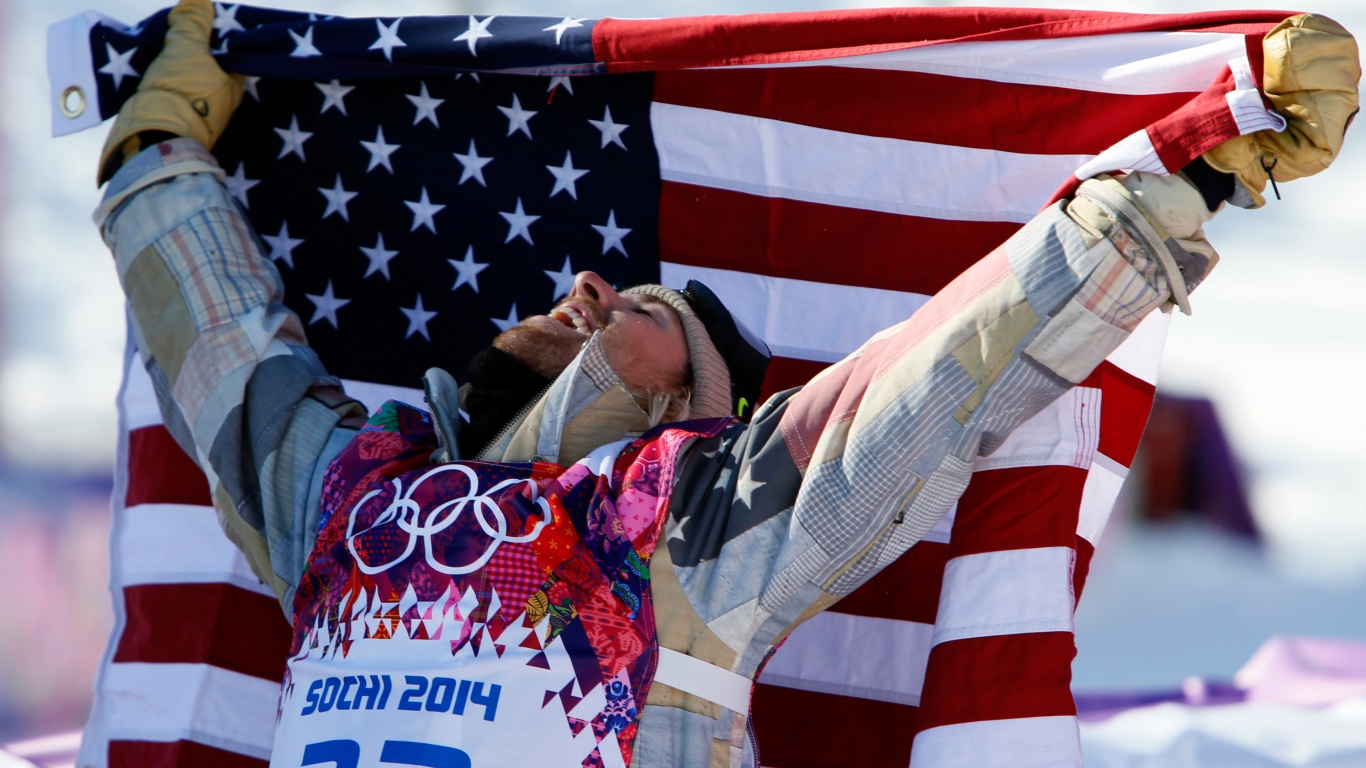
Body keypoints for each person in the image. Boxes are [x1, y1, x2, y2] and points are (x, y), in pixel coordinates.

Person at [92, 2, 1358, 766]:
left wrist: (1187, 168)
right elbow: (220, 348)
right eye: (572, 305)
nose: (589, 289)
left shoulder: (685, 542)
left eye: (653, 314)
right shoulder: (348, 503)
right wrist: (152, 149)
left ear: (697, 426)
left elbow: (934, 387)